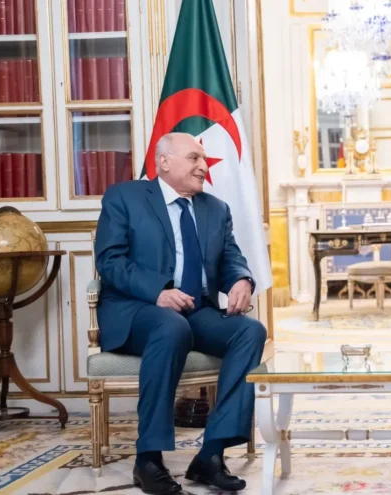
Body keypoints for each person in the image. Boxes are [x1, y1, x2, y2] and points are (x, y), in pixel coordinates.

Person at [94, 132, 266, 494]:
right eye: (194, 158)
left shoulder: (215, 208)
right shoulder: (124, 198)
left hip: (195, 310)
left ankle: (211, 455)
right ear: (164, 162)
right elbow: (110, 261)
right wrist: (157, 292)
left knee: (250, 331)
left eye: (203, 159)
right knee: (171, 327)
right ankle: (148, 459)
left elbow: (231, 256)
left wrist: (242, 280)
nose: (203, 166)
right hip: (137, 311)